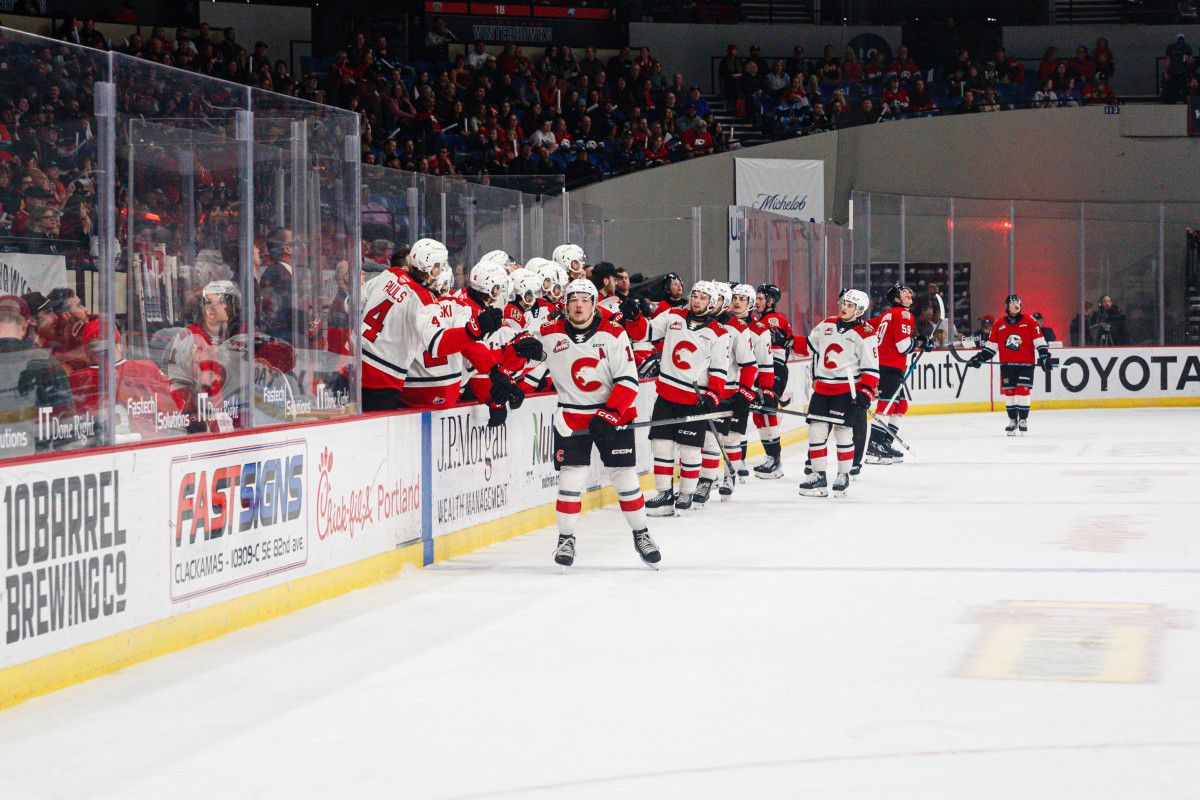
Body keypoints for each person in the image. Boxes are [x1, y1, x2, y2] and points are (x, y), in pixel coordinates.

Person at [519, 279, 659, 568]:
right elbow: (528, 367)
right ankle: (566, 539)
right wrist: (517, 362)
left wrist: (610, 413)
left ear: (595, 304)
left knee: (626, 478)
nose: (579, 304)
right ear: (566, 305)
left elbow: (628, 381)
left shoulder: (613, 333)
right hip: (571, 416)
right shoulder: (549, 334)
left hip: (613, 415)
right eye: (573, 299)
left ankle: (641, 534)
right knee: (571, 480)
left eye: (585, 299)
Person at [358, 238, 516, 414]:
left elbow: (356, 302)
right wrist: (475, 328)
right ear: (431, 268)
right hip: (382, 382)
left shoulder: (390, 274)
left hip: (355, 367)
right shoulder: (423, 301)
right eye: (440, 266)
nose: (443, 271)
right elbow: (438, 344)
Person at [645, 281, 729, 516]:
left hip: (694, 398)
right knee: (661, 446)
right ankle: (664, 494)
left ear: (711, 303)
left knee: (690, 449)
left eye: (703, 298)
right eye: (695, 296)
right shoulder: (673, 315)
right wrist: (634, 319)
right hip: (666, 394)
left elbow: (720, 369)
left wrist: (713, 394)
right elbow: (648, 331)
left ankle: (686, 492)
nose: (696, 301)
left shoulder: (719, 333)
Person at [797, 289, 879, 498]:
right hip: (822, 389)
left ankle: (843, 474)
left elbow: (871, 368)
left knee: (843, 433)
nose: (844, 307)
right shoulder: (827, 324)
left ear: (859, 310)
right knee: (816, 432)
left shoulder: (866, 333)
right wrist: (787, 340)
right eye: (844, 303)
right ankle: (818, 475)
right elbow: (808, 345)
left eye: (850, 305)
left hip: (846, 390)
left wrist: (866, 393)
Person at [966, 294, 1052, 435]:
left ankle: (1023, 420)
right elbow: (991, 348)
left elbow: (1040, 341)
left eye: (1018, 302)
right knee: (1009, 393)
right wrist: (979, 358)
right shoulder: (999, 323)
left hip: (1025, 364)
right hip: (1007, 365)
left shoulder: (1030, 321)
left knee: (1023, 391)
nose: (1016, 304)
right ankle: (1013, 420)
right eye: (1012, 302)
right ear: (1007, 306)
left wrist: (1044, 356)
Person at [0, 295, 75, 454]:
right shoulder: (44, 361)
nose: (53, 316)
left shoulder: (43, 360)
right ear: (26, 324)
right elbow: (66, 420)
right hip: (31, 461)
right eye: (47, 312)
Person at [165, 280, 243, 432]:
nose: (230, 305)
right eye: (224, 301)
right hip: (202, 426)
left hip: (225, 421)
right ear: (209, 311)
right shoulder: (189, 337)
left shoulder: (227, 336)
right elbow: (178, 383)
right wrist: (196, 420)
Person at [865, 283, 922, 467]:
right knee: (886, 406)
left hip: (886, 366)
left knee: (900, 406)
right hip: (889, 367)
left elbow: (866, 327)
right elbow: (903, 346)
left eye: (909, 291)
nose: (909, 294)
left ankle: (885, 443)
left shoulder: (885, 315)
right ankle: (873, 447)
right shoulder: (904, 314)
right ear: (897, 299)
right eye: (904, 292)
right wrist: (920, 343)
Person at [751, 283, 794, 479]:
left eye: (760, 299)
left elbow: (783, 342)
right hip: (766, 368)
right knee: (759, 414)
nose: (756, 302)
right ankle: (771, 457)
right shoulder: (762, 319)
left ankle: (775, 461)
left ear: (770, 302)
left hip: (774, 367)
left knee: (767, 411)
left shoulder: (774, 319)